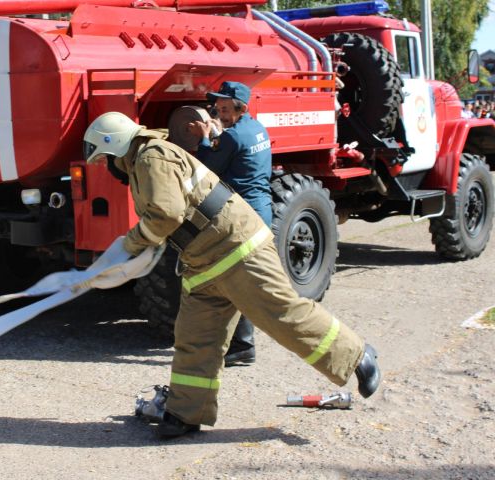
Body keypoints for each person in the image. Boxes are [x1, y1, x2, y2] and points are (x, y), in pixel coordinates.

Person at [82, 111, 381, 438]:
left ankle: (357, 356)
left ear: (117, 145)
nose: (107, 167)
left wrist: (131, 243)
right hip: (204, 262)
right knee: (196, 338)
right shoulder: (145, 161)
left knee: (281, 314)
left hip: (237, 251)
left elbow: (166, 215)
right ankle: (184, 413)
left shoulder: (152, 157)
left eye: (105, 158)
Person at [187, 81, 272, 367]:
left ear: (242, 108)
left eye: (225, 108)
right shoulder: (257, 129)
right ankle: (240, 344)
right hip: (262, 209)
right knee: (245, 278)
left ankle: (243, 346)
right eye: (217, 107)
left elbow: (205, 169)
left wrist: (203, 138)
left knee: (236, 281)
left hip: (241, 216)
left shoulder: (233, 138)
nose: (219, 112)